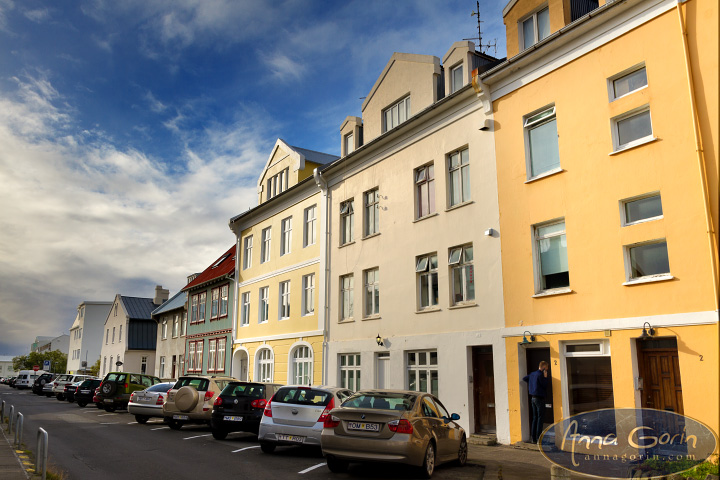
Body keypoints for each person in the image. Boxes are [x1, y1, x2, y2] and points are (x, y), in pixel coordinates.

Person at [523, 360, 549, 444]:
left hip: (533, 398)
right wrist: (545, 377)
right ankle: (539, 438)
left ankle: (533, 438)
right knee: (540, 418)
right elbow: (545, 385)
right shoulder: (540, 375)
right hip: (539, 398)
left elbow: (524, 378)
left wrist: (532, 384)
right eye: (546, 369)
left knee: (535, 418)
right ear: (544, 368)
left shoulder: (532, 374)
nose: (546, 371)